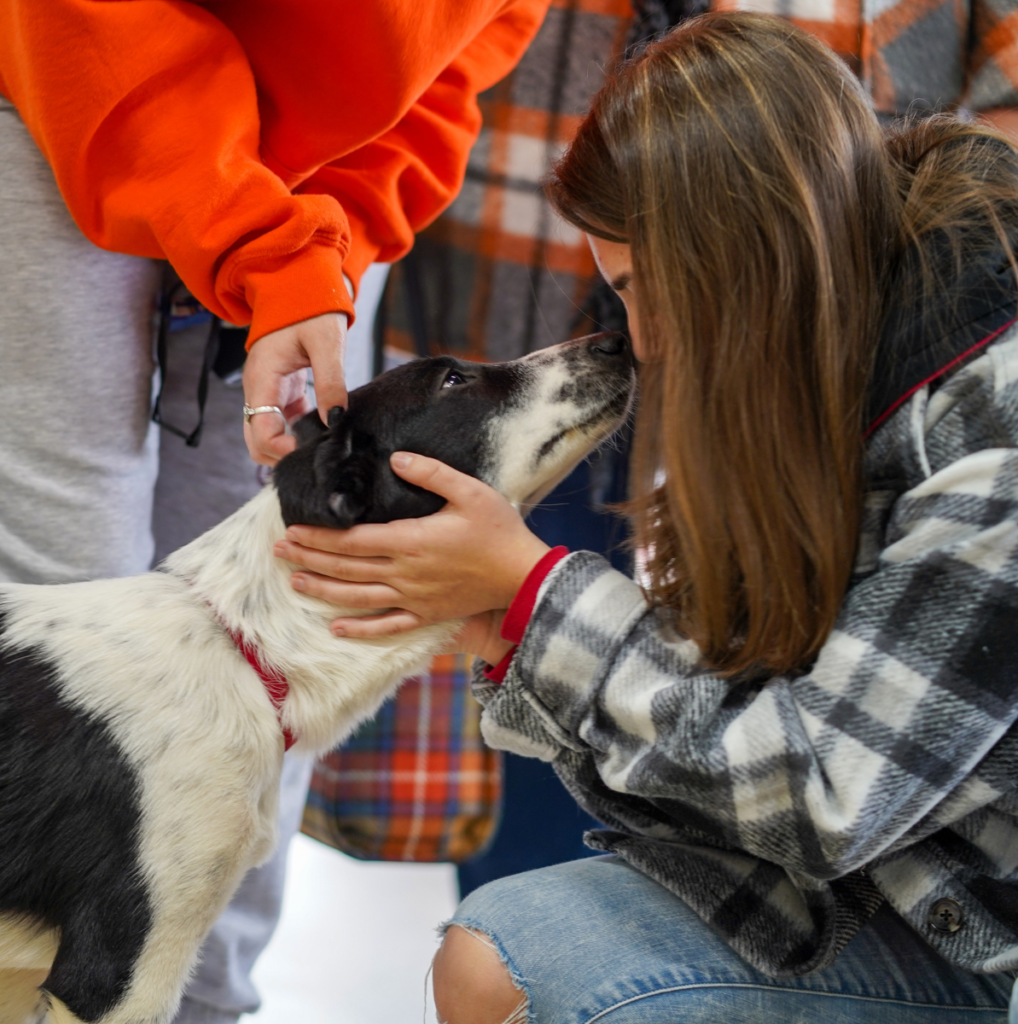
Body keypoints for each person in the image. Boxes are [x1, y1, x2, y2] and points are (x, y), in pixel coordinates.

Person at [274, 13, 1018, 1022]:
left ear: (745, 246)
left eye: (637, 287)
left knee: (587, 987)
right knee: (495, 951)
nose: (640, 338)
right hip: (900, 882)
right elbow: (726, 762)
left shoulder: (994, 409)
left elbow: (822, 797)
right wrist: (517, 633)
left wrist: (540, 600)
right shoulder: (821, 344)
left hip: (974, 934)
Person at [0, 3, 550, 1021]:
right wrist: (262, 245)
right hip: (66, 90)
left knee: (290, 643)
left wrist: (317, 252)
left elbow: (451, 61)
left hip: (325, 184)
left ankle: (196, 1004)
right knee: (60, 608)